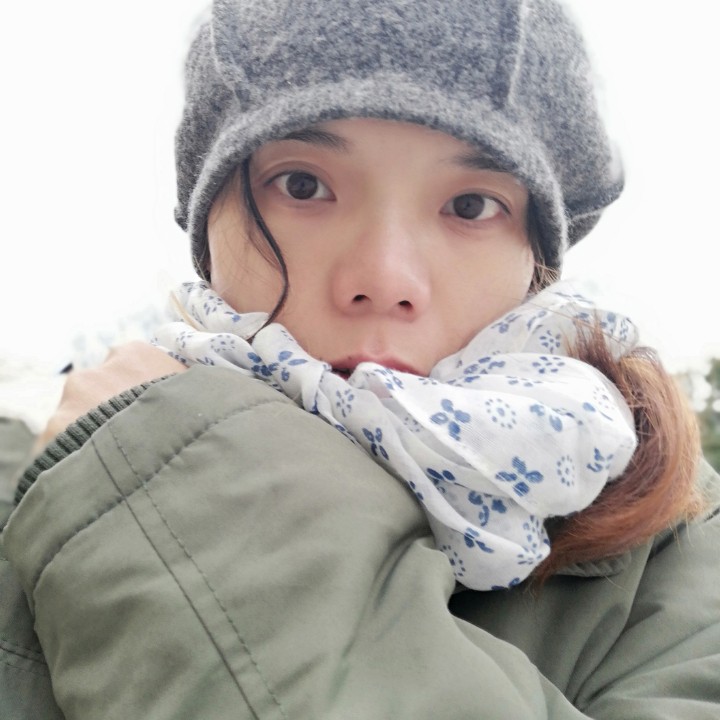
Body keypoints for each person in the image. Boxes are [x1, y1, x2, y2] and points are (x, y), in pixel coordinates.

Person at [2, 0, 719, 717]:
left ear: (535, 259)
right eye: (302, 186)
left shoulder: (678, 559)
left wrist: (171, 499)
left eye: (471, 205)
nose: (384, 277)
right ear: (205, 224)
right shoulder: (38, 490)